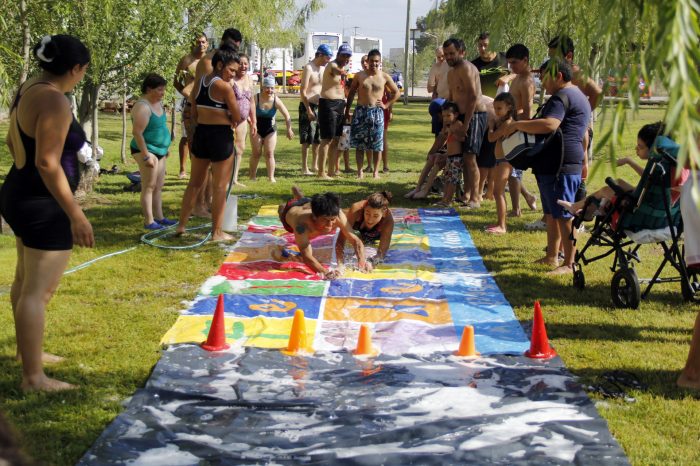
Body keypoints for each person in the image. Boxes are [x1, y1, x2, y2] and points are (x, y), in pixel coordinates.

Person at [0, 34, 94, 391]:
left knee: (25, 282)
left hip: (19, 191)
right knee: (37, 292)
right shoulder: (55, 101)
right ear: (74, 68)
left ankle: (30, 355)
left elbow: (13, 141)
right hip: (42, 202)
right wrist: (76, 215)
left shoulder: (30, 87)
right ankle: (33, 377)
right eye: (82, 71)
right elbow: (46, 161)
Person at [497, 58, 591, 274]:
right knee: (551, 213)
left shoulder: (562, 96)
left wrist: (517, 124)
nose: (540, 79)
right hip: (556, 162)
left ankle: (569, 263)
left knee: (564, 215)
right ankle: (552, 256)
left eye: (544, 75)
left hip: (561, 164)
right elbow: (583, 133)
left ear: (558, 76)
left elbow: (550, 124)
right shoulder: (577, 95)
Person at [176, 48, 241, 241]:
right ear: (220, 65)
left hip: (201, 134)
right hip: (220, 137)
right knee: (220, 187)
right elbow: (237, 116)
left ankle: (181, 226)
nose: (233, 75)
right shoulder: (224, 87)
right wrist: (226, 115)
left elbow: (194, 109)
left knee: (194, 183)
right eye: (231, 70)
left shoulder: (200, 82)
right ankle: (217, 233)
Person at [557, 123, 687, 218]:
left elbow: (653, 181)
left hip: (646, 211)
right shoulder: (670, 162)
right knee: (618, 182)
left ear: (653, 149)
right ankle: (588, 211)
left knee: (606, 190)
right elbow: (650, 178)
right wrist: (629, 161)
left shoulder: (660, 165)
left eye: (640, 147)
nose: (636, 149)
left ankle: (578, 207)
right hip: (658, 208)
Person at [189, 28, 243, 217]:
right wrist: (195, 115)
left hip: (216, 123)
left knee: (214, 173)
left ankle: (208, 203)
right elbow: (197, 91)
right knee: (202, 173)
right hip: (206, 124)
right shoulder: (208, 63)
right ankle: (199, 205)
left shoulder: (221, 66)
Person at [277, 188, 371, 279]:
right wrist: (326, 272)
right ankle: (286, 205)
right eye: (325, 220)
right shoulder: (301, 226)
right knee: (282, 212)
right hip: (291, 210)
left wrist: (362, 262)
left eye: (332, 220)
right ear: (314, 217)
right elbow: (307, 256)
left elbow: (356, 240)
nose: (330, 225)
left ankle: (301, 197)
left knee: (307, 202)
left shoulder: (338, 214)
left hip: (310, 205)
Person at [443, 37, 486, 208]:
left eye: (452, 53)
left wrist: (466, 124)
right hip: (460, 117)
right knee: (461, 157)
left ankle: (475, 198)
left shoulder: (467, 68)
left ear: (462, 52)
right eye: (446, 54)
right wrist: (450, 123)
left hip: (474, 116)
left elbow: (473, 97)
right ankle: (466, 194)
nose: (448, 57)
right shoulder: (451, 72)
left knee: (470, 157)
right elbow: (453, 99)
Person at [344, 49, 400, 179]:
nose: (374, 64)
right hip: (361, 111)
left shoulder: (384, 76)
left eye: (377, 61)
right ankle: (360, 172)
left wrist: (386, 105)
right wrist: (347, 110)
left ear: (380, 62)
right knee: (359, 144)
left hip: (377, 112)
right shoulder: (360, 75)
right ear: (367, 61)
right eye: (372, 61)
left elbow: (396, 92)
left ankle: (375, 172)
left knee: (377, 144)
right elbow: (351, 92)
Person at [130, 74, 173, 230]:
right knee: (149, 185)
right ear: (149, 89)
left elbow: (159, 128)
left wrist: (165, 148)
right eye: (160, 89)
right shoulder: (143, 107)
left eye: (164, 90)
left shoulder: (158, 103)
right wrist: (146, 155)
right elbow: (137, 133)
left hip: (159, 150)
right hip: (146, 150)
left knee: (158, 185)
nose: (163, 93)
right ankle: (149, 221)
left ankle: (160, 218)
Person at [504, 43, 538, 217]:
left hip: (520, 129)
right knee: (509, 168)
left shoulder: (526, 81)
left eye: (514, 62)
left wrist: (513, 122)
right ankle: (529, 197)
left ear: (525, 60)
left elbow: (527, 112)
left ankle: (516, 209)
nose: (512, 66)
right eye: (509, 63)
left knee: (513, 171)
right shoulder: (516, 77)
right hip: (512, 127)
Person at [173, 33, 208, 179]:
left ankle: (200, 169)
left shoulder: (209, 60)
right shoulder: (186, 60)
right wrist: (187, 94)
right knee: (187, 136)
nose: (201, 45)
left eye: (203, 42)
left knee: (203, 137)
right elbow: (176, 81)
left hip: (205, 104)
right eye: (198, 42)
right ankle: (183, 169)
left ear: (207, 43)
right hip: (188, 103)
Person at [249, 75, 294, 183]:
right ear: (262, 87)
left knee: (269, 153)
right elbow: (247, 112)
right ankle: (252, 177)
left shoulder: (276, 100)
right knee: (256, 153)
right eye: (267, 87)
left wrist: (289, 129)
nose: (270, 90)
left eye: (272, 88)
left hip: (270, 130)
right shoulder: (256, 98)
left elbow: (287, 116)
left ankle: (271, 177)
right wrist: (250, 122)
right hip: (256, 129)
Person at [318, 43, 352, 179]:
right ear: (338, 55)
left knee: (336, 139)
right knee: (327, 139)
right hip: (328, 104)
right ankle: (321, 172)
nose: (346, 58)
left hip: (339, 105)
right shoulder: (332, 65)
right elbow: (337, 71)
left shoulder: (344, 67)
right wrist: (343, 73)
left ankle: (331, 171)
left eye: (348, 56)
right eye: (343, 55)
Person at [485, 92, 517, 234]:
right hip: (500, 159)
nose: (496, 111)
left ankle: (502, 225)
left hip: (505, 160)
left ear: (509, 107)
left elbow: (491, 138)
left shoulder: (508, 123)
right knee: (498, 192)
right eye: (494, 108)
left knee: (498, 192)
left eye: (499, 108)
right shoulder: (502, 121)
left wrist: (491, 126)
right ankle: (499, 222)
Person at [299, 44, 332, 175]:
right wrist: (308, 109)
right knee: (306, 138)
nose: (328, 60)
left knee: (318, 138)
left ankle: (314, 165)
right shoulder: (309, 68)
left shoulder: (322, 69)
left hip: (320, 106)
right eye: (327, 57)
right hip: (308, 106)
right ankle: (304, 167)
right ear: (320, 55)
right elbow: (303, 90)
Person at [339, 192, 395, 265]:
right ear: (364, 208)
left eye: (375, 216)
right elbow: (341, 238)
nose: (370, 220)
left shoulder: (388, 221)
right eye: (367, 214)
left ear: (384, 213)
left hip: (375, 235)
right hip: (357, 229)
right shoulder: (356, 209)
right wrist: (339, 260)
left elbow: (381, 252)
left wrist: (371, 262)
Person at [432, 101, 466, 207]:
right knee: (447, 178)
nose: (445, 118)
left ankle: (448, 200)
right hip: (450, 157)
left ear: (455, 114)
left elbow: (464, 137)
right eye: (444, 116)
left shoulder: (458, 124)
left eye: (448, 115)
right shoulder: (449, 125)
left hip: (456, 158)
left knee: (452, 180)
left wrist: (455, 135)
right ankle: (444, 199)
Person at [232, 53, 256, 187]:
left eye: (245, 63)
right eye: (240, 63)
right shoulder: (230, 78)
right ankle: (223, 177)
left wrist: (254, 121)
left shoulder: (249, 79)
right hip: (229, 119)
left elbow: (252, 102)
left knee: (240, 148)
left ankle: (234, 179)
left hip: (243, 120)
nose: (243, 66)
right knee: (227, 149)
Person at [470, 32, 508, 98]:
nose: (482, 48)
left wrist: (508, 77)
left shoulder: (505, 57)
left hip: (504, 103)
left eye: (485, 45)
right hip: (483, 103)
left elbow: (521, 72)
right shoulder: (473, 65)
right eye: (480, 45)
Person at [427, 46, 450, 136]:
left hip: (452, 102)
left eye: (443, 56)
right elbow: (429, 88)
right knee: (439, 133)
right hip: (440, 101)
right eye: (438, 57)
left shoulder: (452, 65)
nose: (441, 59)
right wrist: (438, 83)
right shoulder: (435, 67)